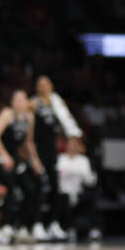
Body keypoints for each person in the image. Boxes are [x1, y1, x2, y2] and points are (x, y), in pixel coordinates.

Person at [31, 75, 83, 241]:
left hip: (52, 150)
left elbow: (66, 122)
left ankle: (53, 223)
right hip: (38, 150)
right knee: (39, 186)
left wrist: (74, 138)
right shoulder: (33, 103)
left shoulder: (57, 103)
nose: (44, 87)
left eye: (46, 83)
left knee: (55, 186)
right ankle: (37, 224)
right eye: (40, 84)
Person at [0, 91, 47, 242]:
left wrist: (36, 162)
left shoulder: (29, 117)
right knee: (12, 188)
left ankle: (22, 225)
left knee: (31, 188)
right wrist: (5, 155)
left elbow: (29, 142)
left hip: (16, 162)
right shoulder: (7, 114)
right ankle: (3, 226)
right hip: (0, 159)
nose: (19, 102)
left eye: (22, 99)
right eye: (16, 99)